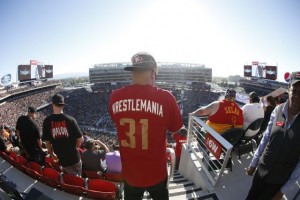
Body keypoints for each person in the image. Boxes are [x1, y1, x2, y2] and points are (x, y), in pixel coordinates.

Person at [108, 51, 183, 200]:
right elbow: (176, 129)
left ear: (132, 72)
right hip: (157, 173)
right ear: (153, 73)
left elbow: (117, 119)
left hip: (130, 175)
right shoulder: (166, 98)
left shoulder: (115, 97)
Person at [246, 71, 300, 200]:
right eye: (295, 91)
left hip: (278, 180)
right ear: (288, 90)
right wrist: (254, 163)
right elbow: (266, 138)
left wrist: (282, 191)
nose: (298, 96)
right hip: (261, 170)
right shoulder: (277, 110)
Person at [42, 94, 83, 176]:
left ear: (52, 104)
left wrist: (51, 153)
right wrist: (77, 146)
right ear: (63, 105)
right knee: (78, 179)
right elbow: (80, 139)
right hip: (75, 157)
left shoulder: (47, 121)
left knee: (73, 180)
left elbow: (47, 142)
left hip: (63, 160)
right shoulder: (71, 120)